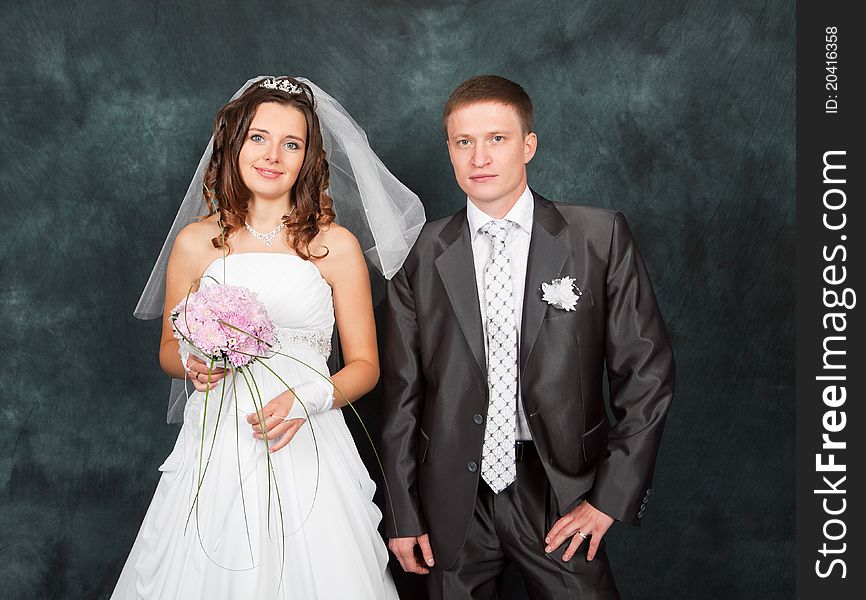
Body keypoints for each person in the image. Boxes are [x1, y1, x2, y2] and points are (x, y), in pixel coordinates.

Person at [112, 76, 423, 599]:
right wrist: (190, 364)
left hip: (305, 440)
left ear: (308, 158)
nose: (272, 155)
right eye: (258, 138)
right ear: (234, 146)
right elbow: (169, 348)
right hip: (216, 442)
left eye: (291, 143)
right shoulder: (196, 243)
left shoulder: (335, 247)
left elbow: (366, 365)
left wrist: (310, 397)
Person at [381, 75, 675, 599]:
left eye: (497, 138)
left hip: (558, 484)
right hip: (451, 495)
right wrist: (403, 511)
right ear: (448, 150)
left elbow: (645, 374)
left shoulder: (597, 236)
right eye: (463, 142)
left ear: (528, 146)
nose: (479, 157)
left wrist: (609, 497)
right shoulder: (420, 253)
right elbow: (402, 393)